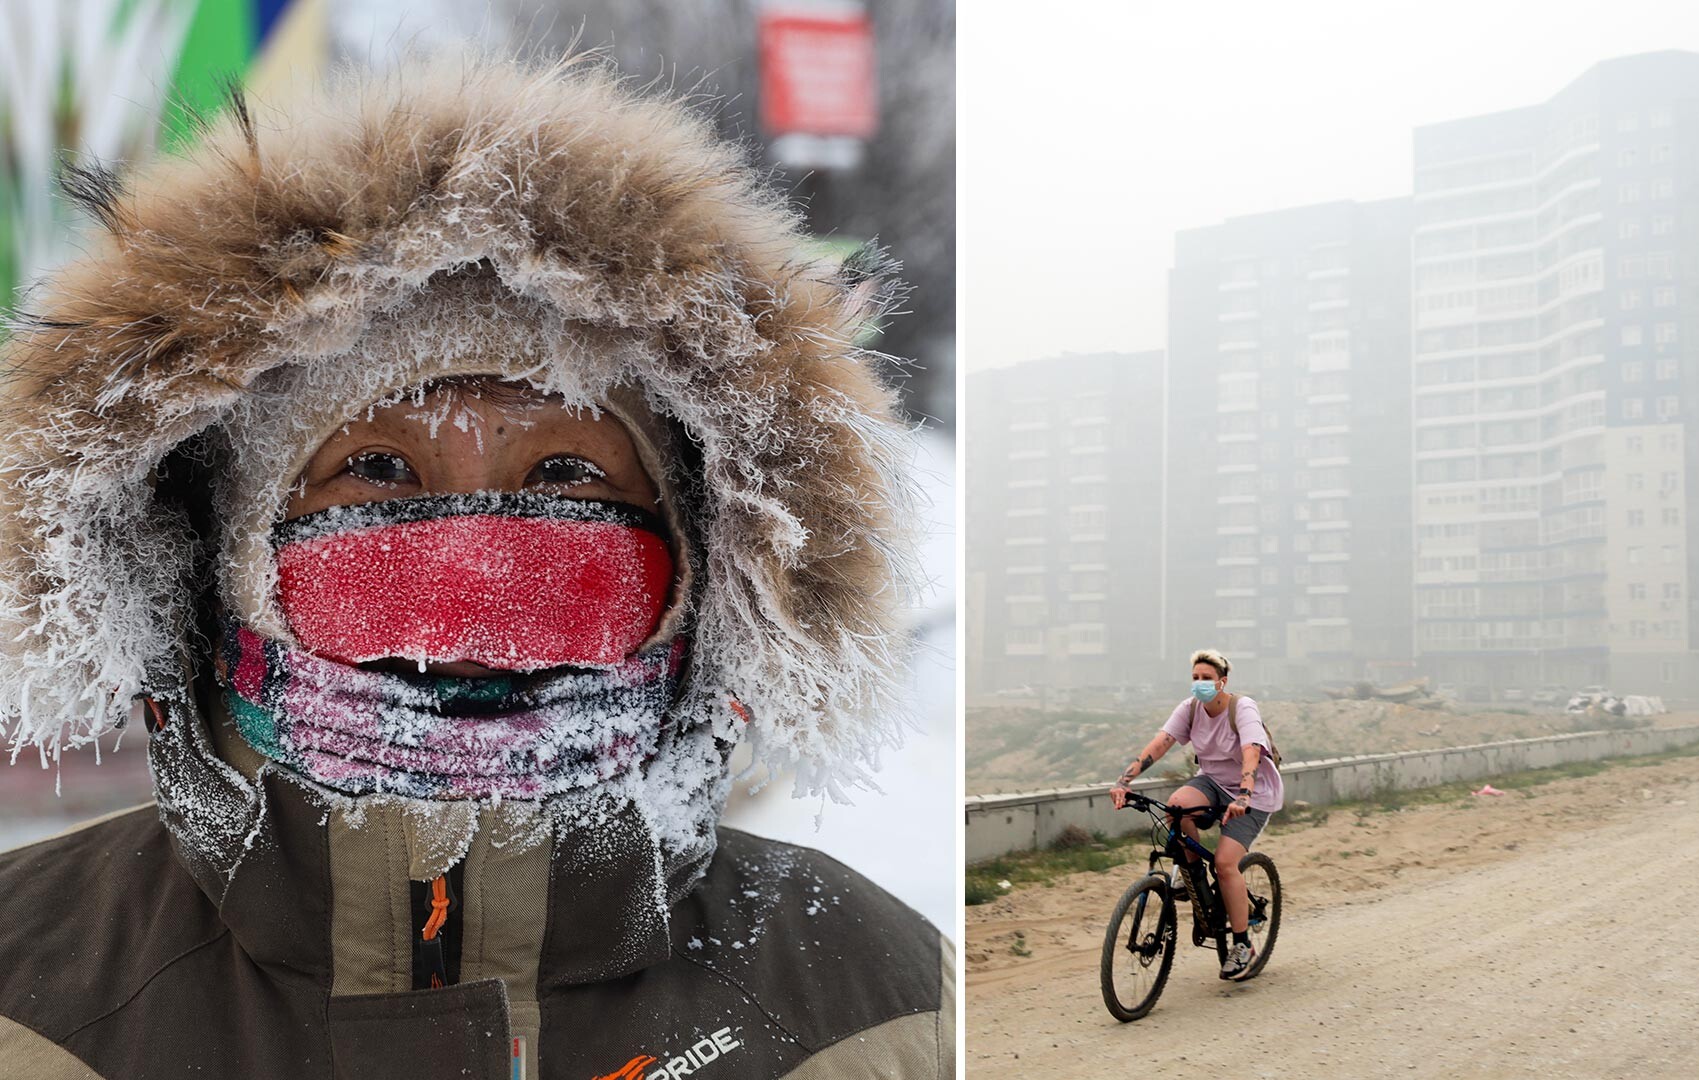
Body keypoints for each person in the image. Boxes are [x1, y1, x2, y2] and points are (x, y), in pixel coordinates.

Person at [0, 55, 952, 1078]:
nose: (475, 587)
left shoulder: (884, 1006)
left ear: (702, 558)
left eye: (566, 471)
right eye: (374, 468)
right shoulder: (28, 991)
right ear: (227, 553)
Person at [1110, 649, 1283, 980]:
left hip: (1252, 794)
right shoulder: (1190, 709)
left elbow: (1251, 752)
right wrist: (1124, 780)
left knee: (1224, 862)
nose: (1200, 684)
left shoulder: (1241, 707)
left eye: (1207, 678)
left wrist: (1244, 794)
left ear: (1222, 682)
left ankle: (1243, 945)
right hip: (1213, 782)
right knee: (1176, 806)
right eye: (1195, 678)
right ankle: (1192, 877)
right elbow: (1161, 743)